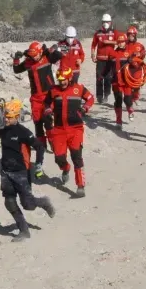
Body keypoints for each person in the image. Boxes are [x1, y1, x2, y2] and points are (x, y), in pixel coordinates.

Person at [0, 98, 55, 240]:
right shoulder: (3, 130)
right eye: (5, 117)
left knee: (28, 204)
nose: (7, 120)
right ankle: (24, 231)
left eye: (9, 117)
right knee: (9, 202)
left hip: (21, 172)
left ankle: (43, 202)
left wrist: (39, 164)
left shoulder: (23, 132)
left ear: (17, 116)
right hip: (5, 171)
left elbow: (39, 146)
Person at [41, 68, 94, 198]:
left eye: (64, 80)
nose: (62, 82)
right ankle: (65, 168)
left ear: (70, 78)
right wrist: (47, 111)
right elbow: (47, 103)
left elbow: (90, 98)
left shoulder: (79, 88)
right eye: (60, 80)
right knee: (59, 158)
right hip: (59, 130)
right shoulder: (53, 90)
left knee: (77, 156)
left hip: (75, 129)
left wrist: (85, 108)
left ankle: (80, 186)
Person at [11, 41, 55, 179]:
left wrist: (48, 50)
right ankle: (41, 147)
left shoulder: (47, 58)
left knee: (48, 121)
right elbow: (17, 70)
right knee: (37, 123)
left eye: (36, 55)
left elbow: (57, 54)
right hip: (35, 98)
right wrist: (16, 59)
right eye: (32, 55)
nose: (35, 57)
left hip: (48, 95)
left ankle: (53, 142)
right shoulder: (29, 62)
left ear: (40, 52)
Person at [109, 25, 146, 124]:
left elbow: (141, 55)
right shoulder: (114, 52)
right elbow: (108, 66)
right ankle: (118, 120)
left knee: (128, 97)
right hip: (117, 80)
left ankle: (132, 105)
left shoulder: (136, 47)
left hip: (129, 75)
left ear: (135, 35)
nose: (131, 37)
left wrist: (135, 58)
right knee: (118, 100)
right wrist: (103, 75)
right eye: (129, 35)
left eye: (132, 35)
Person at [90, 13, 124, 102]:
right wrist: (92, 55)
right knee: (99, 77)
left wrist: (109, 42)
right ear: (102, 22)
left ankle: (106, 95)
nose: (106, 23)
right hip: (100, 59)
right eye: (104, 22)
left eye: (107, 22)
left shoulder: (114, 32)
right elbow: (93, 45)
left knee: (108, 78)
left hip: (110, 59)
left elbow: (120, 42)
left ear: (110, 22)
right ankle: (99, 96)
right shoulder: (98, 33)